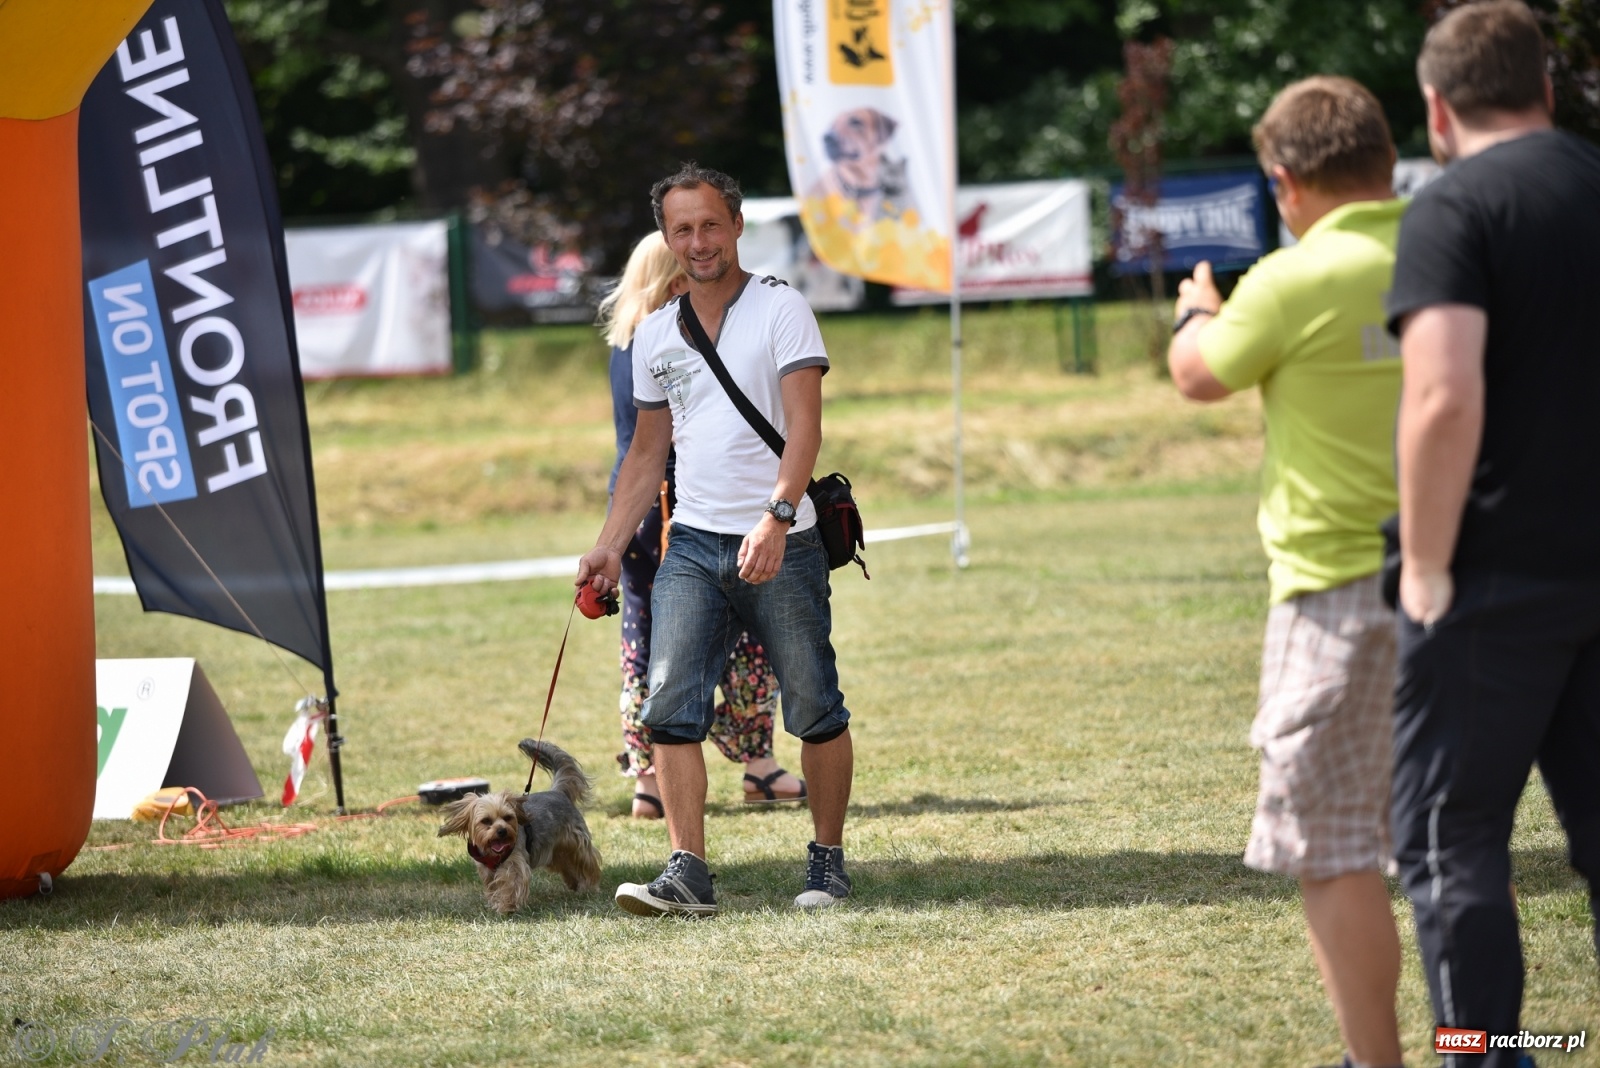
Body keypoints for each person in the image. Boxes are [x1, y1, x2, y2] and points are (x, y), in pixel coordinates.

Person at [1167, 77, 1407, 1068]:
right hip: (1467, 581)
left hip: (1334, 588)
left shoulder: (1288, 278)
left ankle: (1374, 1059)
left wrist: (1194, 313)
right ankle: (1488, 1042)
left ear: (1283, 181)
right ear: (1389, 159)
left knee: (1333, 844)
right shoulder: (1452, 250)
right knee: (1455, 843)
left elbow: (1199, 376)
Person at [1385, 4, 1600, 1062]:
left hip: (1495, 581)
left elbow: (1441, 396)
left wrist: (1425, 565)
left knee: (1452, 835)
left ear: (1436, 108)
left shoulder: (1454, 207)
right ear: (1546, 90)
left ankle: (1489, 1052)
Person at [577, 163, 854, 915]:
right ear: (667, 240)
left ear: (735, 225)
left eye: (709, 224)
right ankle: (687, 872)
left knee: (814, 705)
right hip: (693, 546)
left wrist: (778, 516)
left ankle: (827, 864)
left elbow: (806, 427)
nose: (698, 241)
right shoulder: (654, 333)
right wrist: (609, 546)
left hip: (782, 540)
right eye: (683, 230)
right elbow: (645, 456)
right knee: (668, 707)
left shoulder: (782, 307)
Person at [595, 232, 806, 819]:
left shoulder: (625, 342)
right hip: (685, 508)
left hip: (633, 512)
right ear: (673, 282)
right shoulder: (672, 338)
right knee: (746, 628)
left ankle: (648, 780)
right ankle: (758, 765)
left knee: (644, 639)